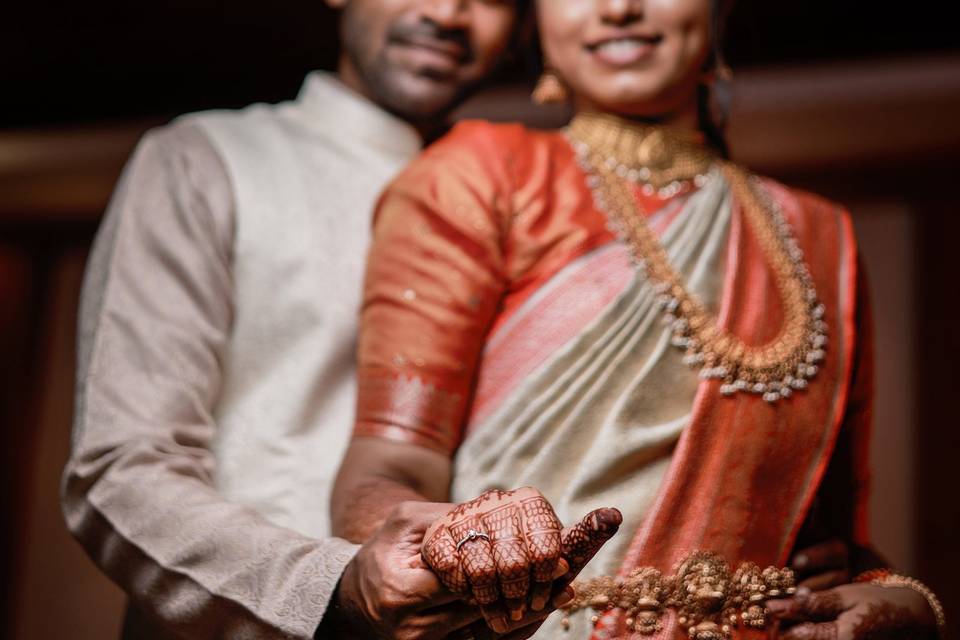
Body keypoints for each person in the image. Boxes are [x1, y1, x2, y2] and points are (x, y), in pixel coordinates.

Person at [331, 0, 945, 639]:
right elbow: (388, 468)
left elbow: (837, 545)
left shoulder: (819, 236)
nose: (619, 9)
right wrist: (459, 541)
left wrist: (905, 604)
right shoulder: (478, 174)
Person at [60, 1, 576, 638]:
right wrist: (331, 586)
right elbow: (122, 474)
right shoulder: (208, 159)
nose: (447, 13)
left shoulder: (538, 200)